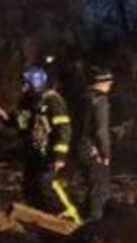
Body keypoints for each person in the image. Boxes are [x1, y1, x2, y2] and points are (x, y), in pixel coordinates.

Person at [9, 63, 78, 223]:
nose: (23, 88)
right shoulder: (26, 103)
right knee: (30, 188)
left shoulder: (53, 101)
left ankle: (68, 216)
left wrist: (60, 155)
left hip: (48, 155)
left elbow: (64, 128)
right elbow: (23, 124)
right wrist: (7, 119)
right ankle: (40, 222)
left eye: (26, 84)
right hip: (33, 154)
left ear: (36, 82)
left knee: (47, 186)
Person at [78, 68, 113, 221]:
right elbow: (100, 130)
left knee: (91, 186)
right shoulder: (100, 102)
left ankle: (83, 216)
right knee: (100, 187)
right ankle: (94, 224)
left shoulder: (82, 99)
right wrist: (105, 153)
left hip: (77, 145)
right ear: (104, 83)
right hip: (92, 149)